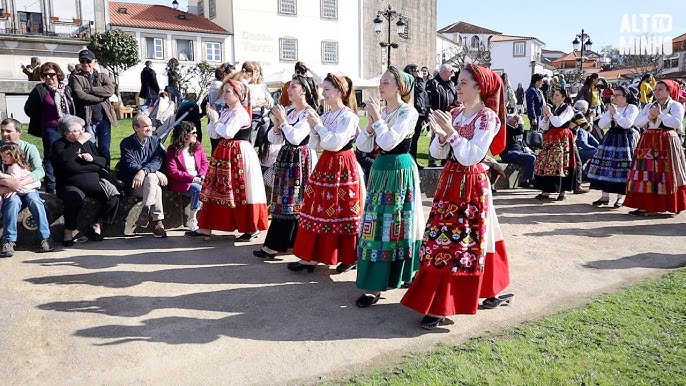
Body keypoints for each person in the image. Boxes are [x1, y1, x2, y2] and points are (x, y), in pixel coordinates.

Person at [401, 63, 511, 329]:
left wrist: (450, 133)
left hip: (470, 184)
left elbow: (471, 156)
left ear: (479, 88)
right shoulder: (457, 114)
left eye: (463, 83)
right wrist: (440, 137)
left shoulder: (487, 118)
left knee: (461, 242)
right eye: (458, 82)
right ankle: (487, 291)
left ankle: (444, 304)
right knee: (450, 238)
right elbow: (440, 154)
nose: (457, 87)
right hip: (451, 180)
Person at [354, 66, 424, 308]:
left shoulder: (408, 113)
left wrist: (378, 120)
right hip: (381, 168)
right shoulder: (382, 111)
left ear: (399, 87)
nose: (381, 86)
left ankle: (400, 274)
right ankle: (374, 283)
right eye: (381, 81)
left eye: (386, 82)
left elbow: (390, 141)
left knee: (398, 222)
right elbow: (363, 145)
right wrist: (373, 122)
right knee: (375, 224)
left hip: (400, 168)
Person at [283, 73, 363, 273]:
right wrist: (314, 127)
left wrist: (317, 125)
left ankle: (347, 256)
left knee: (342, 208)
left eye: (327, 90)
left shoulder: (349, 116)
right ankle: (311, 256)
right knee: (317, 207)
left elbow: (335, 143)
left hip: (342, 164)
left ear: (339, 92)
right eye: (323, 89)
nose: (323, 93)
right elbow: (316, 144)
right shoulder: (326, 115)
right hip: (326, 163)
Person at [188, 78, 268, 240]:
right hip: (224, 154)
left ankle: (251, 227)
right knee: (215, 188)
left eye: (227, 91)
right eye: (223, 91)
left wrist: (216, 120)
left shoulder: (240, 112)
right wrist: (213, 120)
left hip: (239, 154)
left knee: (242, 189)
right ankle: (206, 226)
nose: (224, 94)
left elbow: (229, 132)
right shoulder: (227, 111)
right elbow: (214, 133)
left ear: (238, 95)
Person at [253, 75, 319, 259]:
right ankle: (286, 243)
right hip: (286, 158)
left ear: (304, 90)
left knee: (293, 201)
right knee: (284, 201)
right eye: (289, 87)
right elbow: (274, 139)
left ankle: (276, 245)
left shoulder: (308, 113)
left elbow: (296, 138)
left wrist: (282, 121)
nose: (289, 90)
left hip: (299, 159)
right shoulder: (290, 111)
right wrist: (277, 125)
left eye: (294, 87)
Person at [52, 115, 120, 246]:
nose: (82, 132)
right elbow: (67, 164)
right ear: (67, 133)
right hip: (71, 184)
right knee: (73, 199)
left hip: (94, 183)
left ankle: (98, 223)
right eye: (77, 131)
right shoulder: (59, 145)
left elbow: (102, 162)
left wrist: (92, 160)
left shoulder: (89, 144)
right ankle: (68, 231)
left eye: (82, 129)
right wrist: (79, 144)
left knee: (113, 197)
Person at [625, 79, 686, 215]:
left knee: (667, 172)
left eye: (660, 89)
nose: (656, 91)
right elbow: (638, 122)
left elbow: (676, 123)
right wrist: (650, 115)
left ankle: (669, 204)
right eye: (655, 89)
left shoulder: (676, 106)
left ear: (669, 91)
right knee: (646, 173)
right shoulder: (649, 106)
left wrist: (660, 114)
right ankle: (645, 205)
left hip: (667, 141)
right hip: (648, 141)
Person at [0, 118, 53, 257]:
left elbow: (39, 171)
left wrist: (20, 183)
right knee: (12, 203)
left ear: (19, 132)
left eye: (8, 131)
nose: (4, 134)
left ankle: (45, 238)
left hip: (28, 187)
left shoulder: (29, 148)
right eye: (2, 131)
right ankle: (8, 241)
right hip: (8, 190)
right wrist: (9, 184)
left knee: (35, 201)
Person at [24, 62, 75, 194]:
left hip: (68, 127)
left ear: (58, 74)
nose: (48, 77)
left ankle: (66, 182)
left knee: (68, 154)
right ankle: (51, 186)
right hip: (50, 128)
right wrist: (43, 118)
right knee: (51, 156)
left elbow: (72, 106)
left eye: (51, 74)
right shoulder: (40, 89)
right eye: (45, 75)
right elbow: (28, 108)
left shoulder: (66, 89)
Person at [116, 114, 168, 238]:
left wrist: (145, 171)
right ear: (136, 128)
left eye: (150, 126)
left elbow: (157, 161)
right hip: (134, 183)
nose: (149, 128)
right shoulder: (126, 143)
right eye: (145, 126)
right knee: (156, 186)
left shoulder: (156, 141)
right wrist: (147, 171)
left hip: (149, 183)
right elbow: (130, 163)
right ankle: (157, 222)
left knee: (152, 180)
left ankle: (145, 211)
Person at [587, 86, 640, 208]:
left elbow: (627, 124)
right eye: (613, 95)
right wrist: (610, 115)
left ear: (625, 96)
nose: (614, 97)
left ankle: (620, 198)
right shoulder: (612, 108)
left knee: (622, 166)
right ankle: (605, 196)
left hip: (625, 138)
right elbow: (601, 124)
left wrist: (615, 114)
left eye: (617, 95)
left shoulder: (632, 108)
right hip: (611, 137)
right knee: (606, 165)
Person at [69, 49, 117, 169]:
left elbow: (110, 90)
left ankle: (106, 172)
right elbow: (81, 96)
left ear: (94, 62)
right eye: (82, 61)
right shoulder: (76, 78)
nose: (85, 63)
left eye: (88, 61)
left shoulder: (102, 76)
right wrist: (100, 98)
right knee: (90, 148)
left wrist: (90, 90)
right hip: (88, 120)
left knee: (105, 149)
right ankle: (93, 171)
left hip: (104, 119)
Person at [533, 88, 576, 201]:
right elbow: (544, 126)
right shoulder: (555, 108)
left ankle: (562, 191)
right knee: (546, 164)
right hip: (551, 139)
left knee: (561, 164)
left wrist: (550, 114)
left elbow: (558, 123)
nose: (554, 96)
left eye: (557, 95)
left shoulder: (568, 109)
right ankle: (545, 191)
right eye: (554, 94)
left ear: (563, 97)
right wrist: (546, 116)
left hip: (561, 138)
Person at [165, 121, 209, 232]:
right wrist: (193, 178)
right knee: (198, 189)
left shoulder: (197, 146)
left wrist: (202, 174)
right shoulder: (172, 150)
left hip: (199, 178)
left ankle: (201, 215)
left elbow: (204, 163)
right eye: (193, 133)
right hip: (182, 182)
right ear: (185, 134)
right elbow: (173, 171)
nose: (196, 135)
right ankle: (192, 218)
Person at [426, 64, 456, 167]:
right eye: (451, 72)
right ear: (444, 72)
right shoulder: (433, 83)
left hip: (449, 115)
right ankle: (431, 160)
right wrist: (431, 113)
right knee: (436, 136)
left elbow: (454, 97)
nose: (452, 74)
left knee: (449, 136)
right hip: (437, 114)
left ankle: (445, 159)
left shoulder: (451, 84)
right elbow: (428, 99)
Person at [242, 61, 275, 148]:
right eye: (254, 71)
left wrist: (266, 103)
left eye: (258, 71)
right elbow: (248, 102)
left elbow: (271, 102)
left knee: (264, 145)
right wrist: (257, 103)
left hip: (264, 117)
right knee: (250, 144)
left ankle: (262, 161)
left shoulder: (263, 86)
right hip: (252, 118)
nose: (256, 73)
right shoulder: (246, 86)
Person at [499, 113, 536, 188]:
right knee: (531, 158)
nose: (516, 122)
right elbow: (520, 131)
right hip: (508, 153)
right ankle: (526, 181)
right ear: (509, 121)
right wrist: (520, 122)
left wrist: (529, 150)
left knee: (537, 157)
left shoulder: (516, 130)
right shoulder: (506, 128)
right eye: (515, 120)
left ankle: (538, 181)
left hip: (519, 152)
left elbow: (522, 143)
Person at [0, 143, 42, 209]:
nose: (2, 159)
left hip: (26, 188)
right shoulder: (10, 166)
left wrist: (2, 175)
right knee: (11, 200)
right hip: (19, 188)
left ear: (13, 156)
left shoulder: (15, 166)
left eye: (4, 157)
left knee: (34, 200)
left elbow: (14, 178)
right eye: (2, 157)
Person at [404, 64, 430, 168]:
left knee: (415, 140)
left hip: (420, 113)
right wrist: (420, 78)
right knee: (411, 140)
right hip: (412, 113)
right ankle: (410, 160)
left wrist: (426, 111)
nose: (419, 73)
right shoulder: (410, 82)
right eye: (417, 71)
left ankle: (414, 160)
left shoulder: (418, 81)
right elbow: (420, 89)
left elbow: (423, 95)